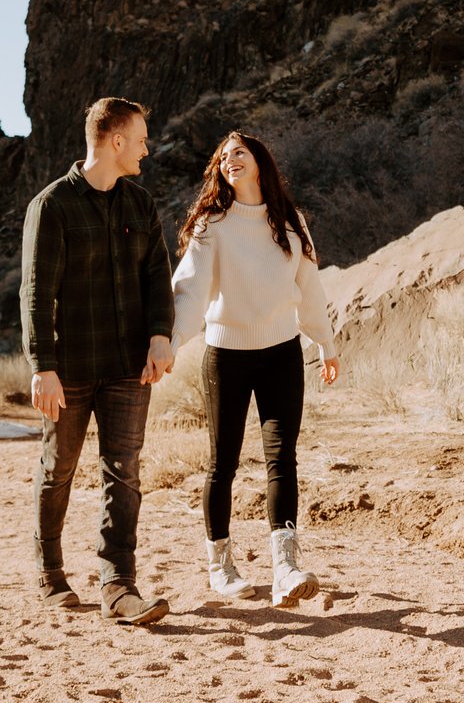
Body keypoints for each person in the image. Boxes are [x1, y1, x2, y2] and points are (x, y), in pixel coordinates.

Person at [20, 96, 176, 625]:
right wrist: (42, 366)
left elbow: (158, 275)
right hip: (70, 368)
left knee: (123, 471)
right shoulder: (52, 206)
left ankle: (118, 584)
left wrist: (160, 335)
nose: (145, 150)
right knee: (58, 466)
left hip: (131, 366)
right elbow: (36, 293)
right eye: (139, 140)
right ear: (114, 141)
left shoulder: (140, 204)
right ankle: (50, 571)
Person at [167, 130, 338, 608]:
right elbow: (190, 292)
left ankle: (285, 567)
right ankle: (221, 567)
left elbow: (309, 287)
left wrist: (325, 343)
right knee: (223, 462)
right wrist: (172, 342)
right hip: (227, 356)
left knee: (282, 459)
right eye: (223, 156)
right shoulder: (212, 225)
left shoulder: (289, 222)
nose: (229, 161)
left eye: (238, 152)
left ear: (259, 160)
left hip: (282, 352)